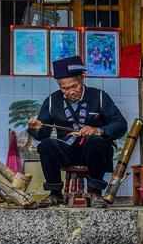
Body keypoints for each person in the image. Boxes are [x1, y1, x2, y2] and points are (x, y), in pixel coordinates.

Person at [27, 55, 128, 207]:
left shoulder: (99, 96)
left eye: (74, 86)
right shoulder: (52, 101)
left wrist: (98, 130)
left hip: (93, 153)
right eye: (64, 88)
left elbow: (120, 124)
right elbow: (43, 135)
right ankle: (55, 193)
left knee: (96, 142)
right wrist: (35, 129)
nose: (70, 92)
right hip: (67, 152)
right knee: (46, 145)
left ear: (82, 78)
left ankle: (95, 193)